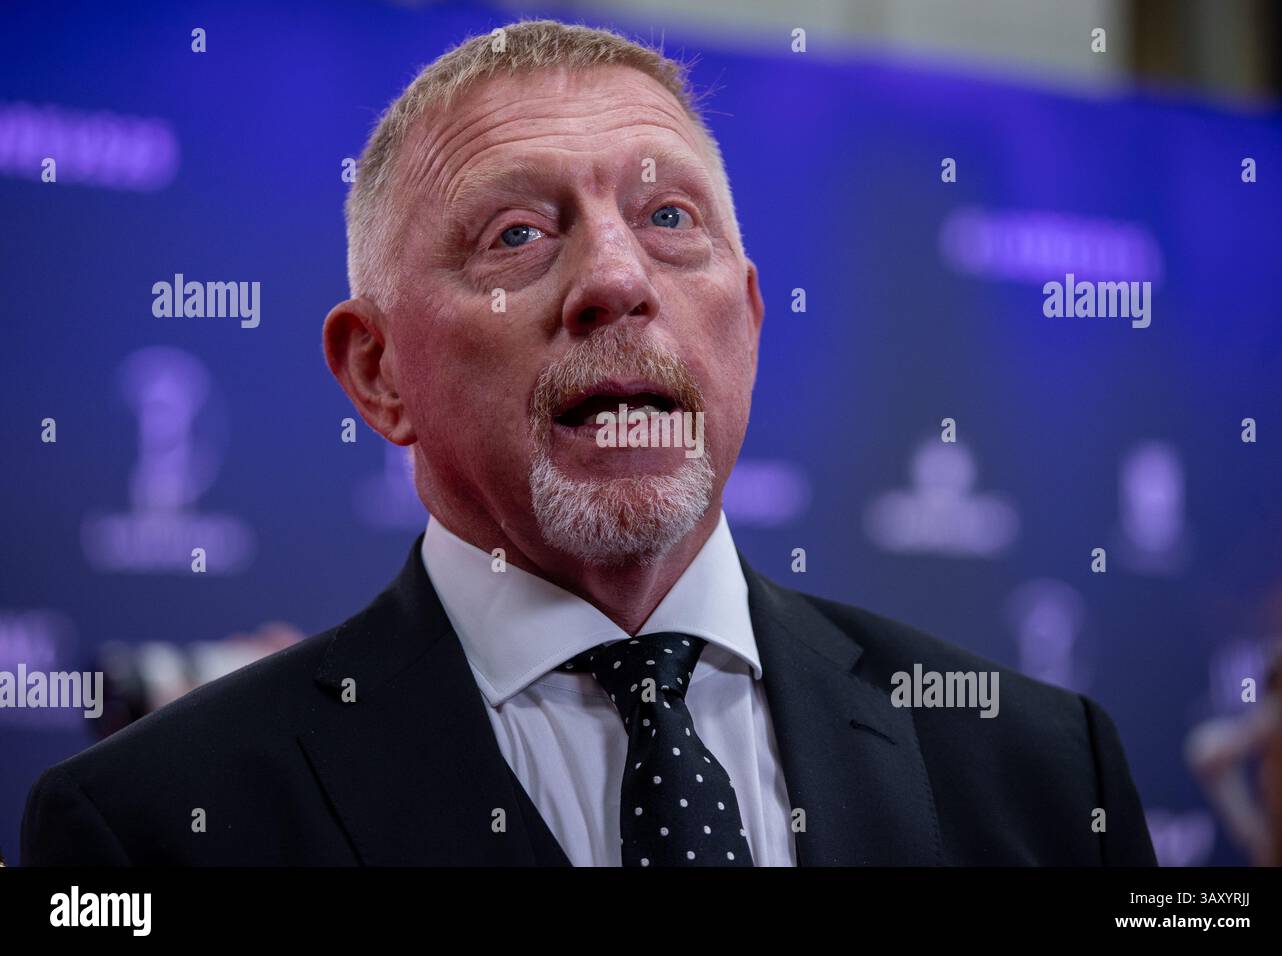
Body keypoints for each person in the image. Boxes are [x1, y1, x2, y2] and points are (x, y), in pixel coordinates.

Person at [21, 19, 1155, 866]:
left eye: (670, 220)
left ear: (748, 323)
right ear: (378, 371)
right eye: (517, 233)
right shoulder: (149, 829)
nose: (617, 279)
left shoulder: (1047, 770)